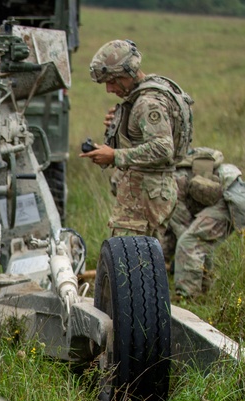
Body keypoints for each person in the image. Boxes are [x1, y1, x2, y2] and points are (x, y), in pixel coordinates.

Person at [79, 39, 193, 247]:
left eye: (112, 81)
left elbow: (162, 148)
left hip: (143, 193)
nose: (109, 89)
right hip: (151, 190)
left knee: (127, 260)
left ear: (128, 73)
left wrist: (115, 156)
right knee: (144, 261)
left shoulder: (147, 102)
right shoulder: (151, 92)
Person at [167, 147, 245, 299]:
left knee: (189, 241)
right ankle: (204, 290)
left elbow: (183, 227)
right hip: (234, 192)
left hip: (227, 201)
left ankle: (188, 295)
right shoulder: (176, 172)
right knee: (200, 241)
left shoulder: (170, 184)